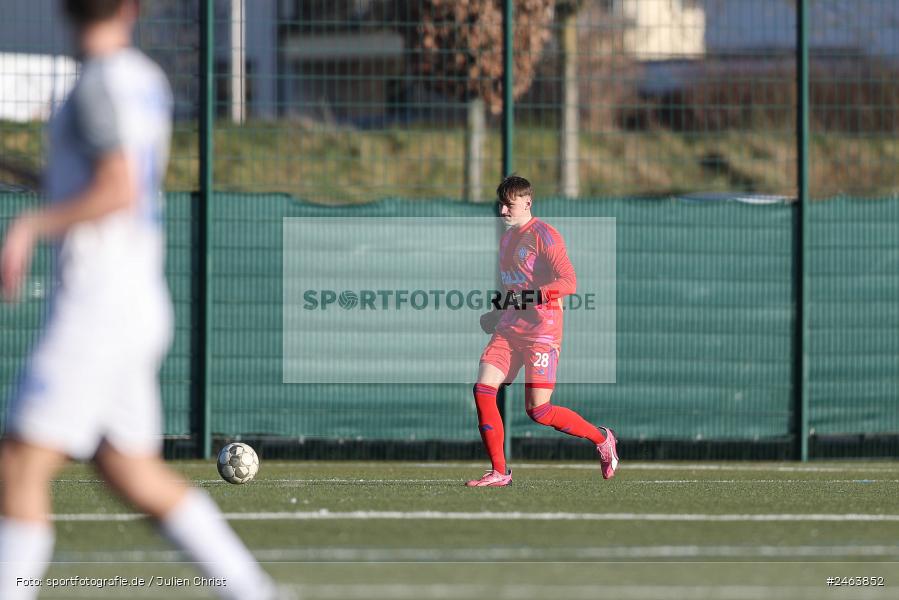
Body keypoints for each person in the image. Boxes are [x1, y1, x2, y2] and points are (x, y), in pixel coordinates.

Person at [0, 2, 276, 599]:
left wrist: (29, 227)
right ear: (132, 8)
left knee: (19, 464)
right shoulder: (141, 78)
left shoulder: (98, 80)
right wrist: (29, 177)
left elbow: (116, 188)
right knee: (127, 469)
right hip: (133, 301)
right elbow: (104, 182)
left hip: (96, 308)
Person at [466, 175, 619, 487]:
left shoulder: (545, 236)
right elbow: (515, 287)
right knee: (483, 390)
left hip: (542, 332)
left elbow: (569, 283)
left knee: (539, 410)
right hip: (510, 329)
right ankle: (499, 472)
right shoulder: (507, 239)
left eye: (509, 205)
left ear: (527, 203)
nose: (503, 211)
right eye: (500, 205)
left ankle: (602, 439)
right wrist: (497, 313)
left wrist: (529, 298)